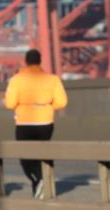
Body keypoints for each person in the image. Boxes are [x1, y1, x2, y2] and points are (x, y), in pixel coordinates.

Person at [4, 49, 68, 199]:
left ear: (26, 61)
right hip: (46, 122)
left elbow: (10, 103)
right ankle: (43, 184)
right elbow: (62, 102)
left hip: (24, 122)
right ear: (40, 61)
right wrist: (47, 107)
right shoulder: (53, 79)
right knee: (44, 153)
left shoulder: (16, 79)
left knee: (25, 156)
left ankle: (38, 179)